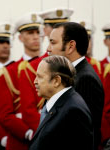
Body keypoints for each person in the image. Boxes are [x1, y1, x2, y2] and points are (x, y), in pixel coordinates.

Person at [47, 22, 104, 150]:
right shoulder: (72, 75)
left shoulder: (85, 79)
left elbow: (85, 134)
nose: (48, 49)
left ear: (70, 46)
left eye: (53, 42)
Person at [19, 8, 73, 132]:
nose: (61, 32)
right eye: (54, 26)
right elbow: (28, 111)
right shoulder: (30, 68)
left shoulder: (79, 64)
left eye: (65, 26)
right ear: (45, 31)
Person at [0, 12, 42, 150]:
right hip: (21, 140)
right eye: (30, 33)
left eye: (37, 32)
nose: (35, 37)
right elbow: (4, 115)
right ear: (20, 37)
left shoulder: (53, 66)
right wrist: (27, 133)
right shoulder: (8, 72)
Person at [29, 55, 93, 150]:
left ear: (56, 81)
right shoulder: (55, 102)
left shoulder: (73, 111)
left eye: (40, 77)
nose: (35, 81)